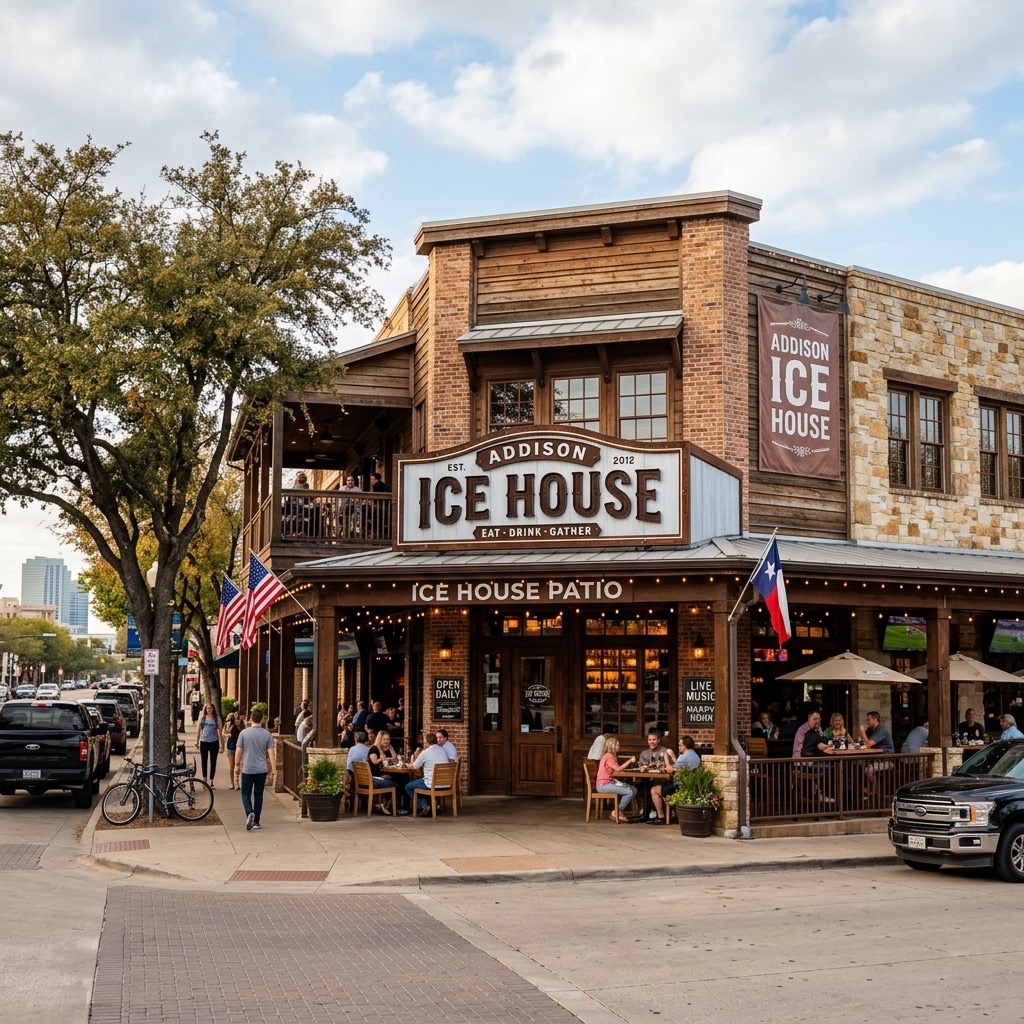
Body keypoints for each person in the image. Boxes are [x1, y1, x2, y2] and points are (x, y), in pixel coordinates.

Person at [234, 709, 276, 831]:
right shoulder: (267, 734)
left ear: (251, 719)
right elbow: (271, 753)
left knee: (245, 794)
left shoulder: (243, 733)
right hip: (261, 769)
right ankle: (256, 821)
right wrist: (273, 769)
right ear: (262, 720)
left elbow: (238, 751)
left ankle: (249, 812)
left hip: (247, 769)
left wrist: (237, 765)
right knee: (258, 795)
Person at [650, 736, 700, 822]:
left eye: (680, 745)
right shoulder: (696, 756)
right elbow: (678, 767)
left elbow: (669, 770)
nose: (679, 747)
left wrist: (666, 756)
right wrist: (673, 756)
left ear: (685, 746)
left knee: (654, 790)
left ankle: (661, 817)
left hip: (679, 787)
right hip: (689, 786)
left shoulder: (683, 757)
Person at [404, 732, 452, 816]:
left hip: (431, 784)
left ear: (426, 742)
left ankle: (423, 805)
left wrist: (412, 761)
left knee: (408, 786)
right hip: (446, 784)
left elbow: (414, 766)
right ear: (436, 741)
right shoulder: (443, 751)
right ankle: (429, 805)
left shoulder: (425, 753)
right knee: (421, 783)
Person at [595, 736, 637, 824]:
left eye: (618, 745)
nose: (618, 747)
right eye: (616, 745)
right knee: (629, 792)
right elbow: (618, 769)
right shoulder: (609, 756)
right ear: (611, 746)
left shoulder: (609, 756)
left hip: (608, 782)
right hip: (604, 785)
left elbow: (614, 770)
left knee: (633, 789)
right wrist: (629, 761)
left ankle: (624, 811)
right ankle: (617, 812)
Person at [366, 730, 397, 814]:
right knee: (395, 784)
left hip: (383, 774)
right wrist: (381, 759)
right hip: (374, 778)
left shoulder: (388, 747)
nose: (386, 741)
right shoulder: (374, 748)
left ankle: (386, 805)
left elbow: (395, 758)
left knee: (400, 779)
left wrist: (388, 758)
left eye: (388, 739)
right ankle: (385, 805)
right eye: (384, 739)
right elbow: (374, 762)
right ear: (379, 739)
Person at [195, 702, 224, 788]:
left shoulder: (216, 719)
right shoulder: (202, 718)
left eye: (210, 708)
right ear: (205, 709)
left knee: (213, 761)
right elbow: (198, 731)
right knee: (204, 761)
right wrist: (197, 742)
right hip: (204, 742)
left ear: (213, 709)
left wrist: (222, 745)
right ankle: (204, 780)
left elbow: (220, 732)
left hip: (214, 742)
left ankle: (211, 780)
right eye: (207, 708)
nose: (209, 710)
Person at [223, 711, 243, 790]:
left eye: (238, 719)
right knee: (232, 765)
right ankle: (232, 782)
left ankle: (237, 782)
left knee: (238, 765)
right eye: (235, 719)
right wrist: (227, 734)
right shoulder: (229, 725)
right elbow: (223, 733)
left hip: (240, 747)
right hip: (231, 746)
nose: (237, 721)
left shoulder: (242, 727)